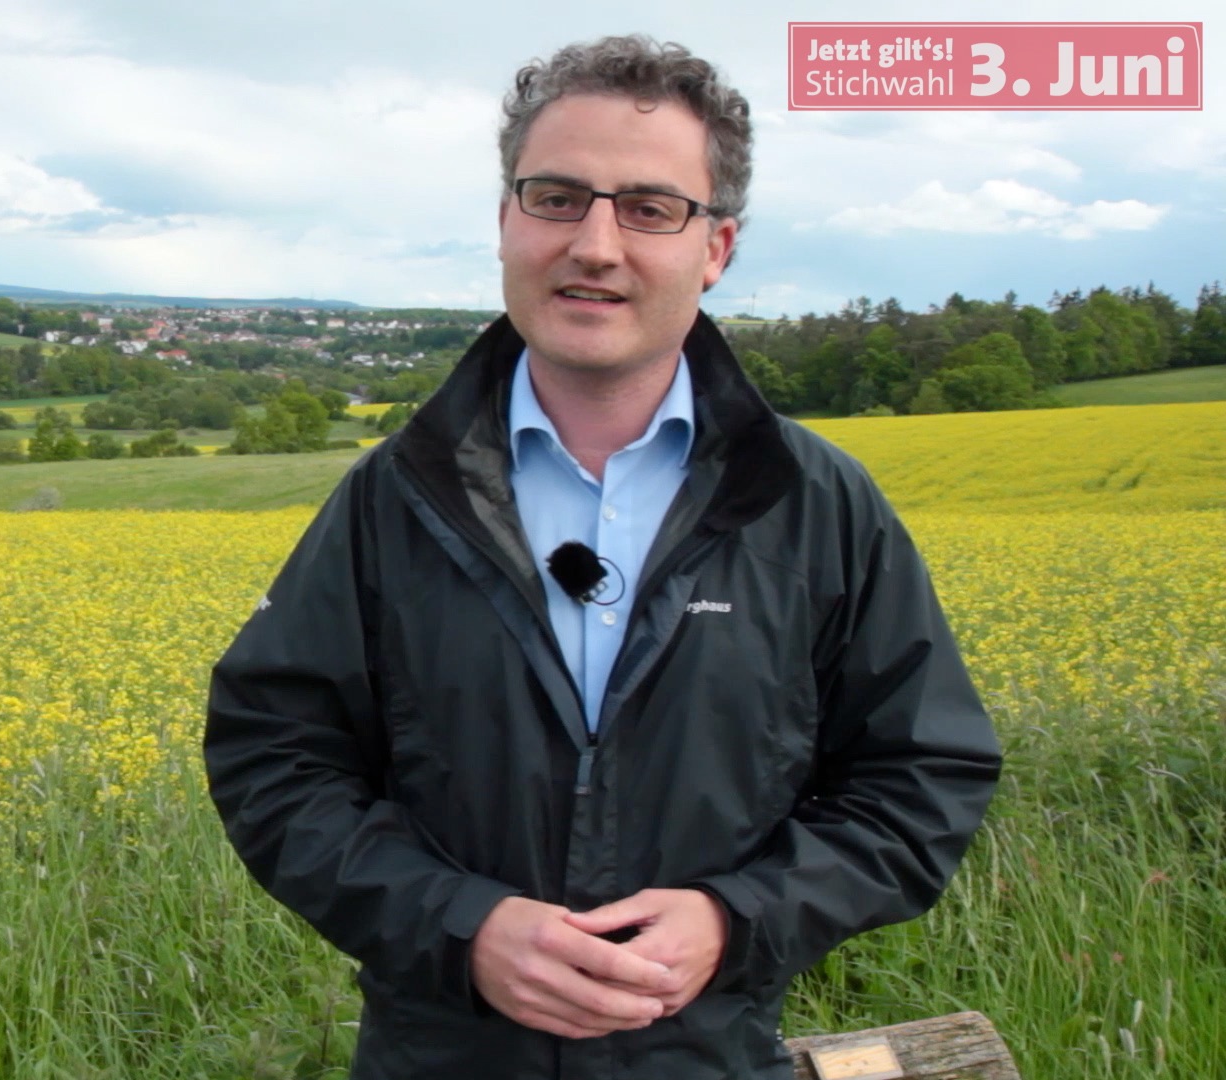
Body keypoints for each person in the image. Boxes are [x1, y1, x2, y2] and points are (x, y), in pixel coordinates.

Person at [202, 33, 1002, 1080]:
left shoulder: (816, 506)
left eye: (650, 208)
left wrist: (735, 917)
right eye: (557, 197)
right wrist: (461, 928)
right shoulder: (392, 499)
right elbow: (275, 759)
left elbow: (922, 776)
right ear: (505, 222)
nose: (595, 243)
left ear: (716, 248)